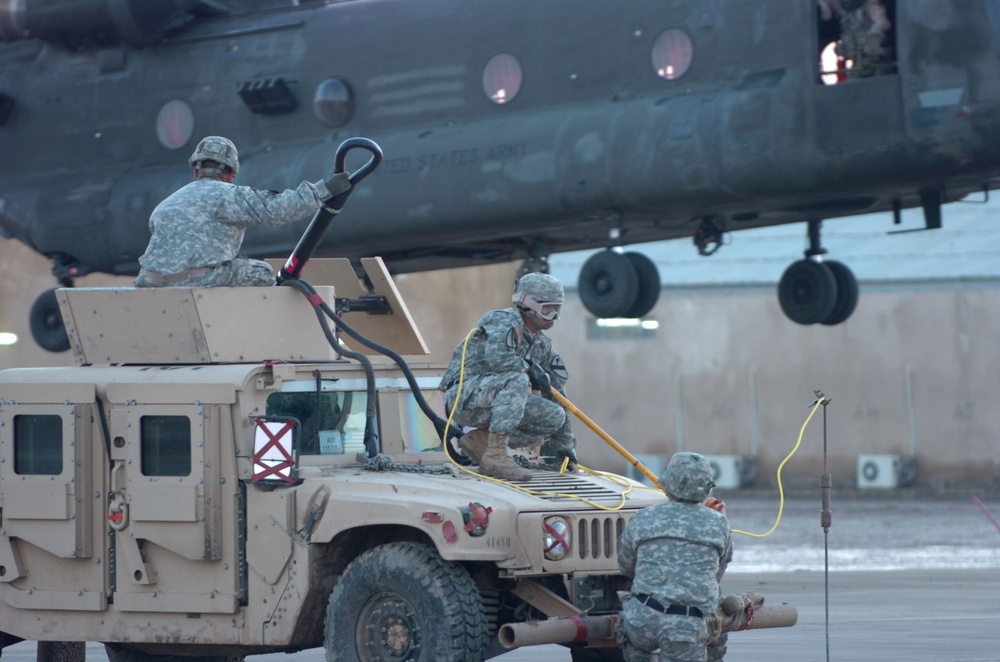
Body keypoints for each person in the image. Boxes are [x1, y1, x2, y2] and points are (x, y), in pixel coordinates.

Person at [134, 136, 352, 288]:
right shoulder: (228, 195)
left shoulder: (166, 204)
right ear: (231, 172)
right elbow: (280, 210)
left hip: (151, 281)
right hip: (200, 281)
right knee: (263, 273)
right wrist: (325, 189)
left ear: (196, 171)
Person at [438, 272, 577, 482]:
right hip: (463, 398)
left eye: (557, 309)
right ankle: (496, 457)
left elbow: (557, 391)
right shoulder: (502, 321)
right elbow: (499, 359)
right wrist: (530, 369)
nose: (554, 316)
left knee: (555, 415)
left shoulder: (541, 345)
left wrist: (565, 446)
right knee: (517, 378)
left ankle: (482, 442)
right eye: (547, 309)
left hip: (495, 402)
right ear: (528, 306)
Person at [618, 452, 733, 662]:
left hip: (642, 620)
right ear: (707, 488)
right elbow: (717, 572)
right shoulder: (719, 523)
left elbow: (626, 565)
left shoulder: (644, 516)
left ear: (669, 484)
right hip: (686, 626)